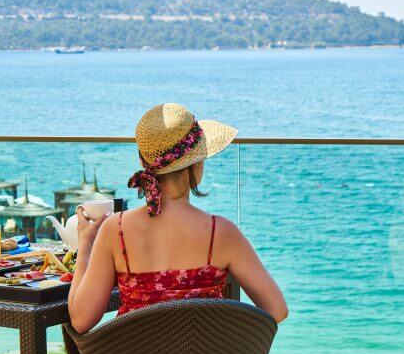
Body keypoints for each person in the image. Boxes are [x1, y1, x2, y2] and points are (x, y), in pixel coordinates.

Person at [68, 103, 288, 336]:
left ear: (144, 163)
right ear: (197, 163)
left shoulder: (116, 230)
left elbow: (81, 321)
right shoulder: (221, 232)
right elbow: (277, 310)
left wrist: (86, 246)